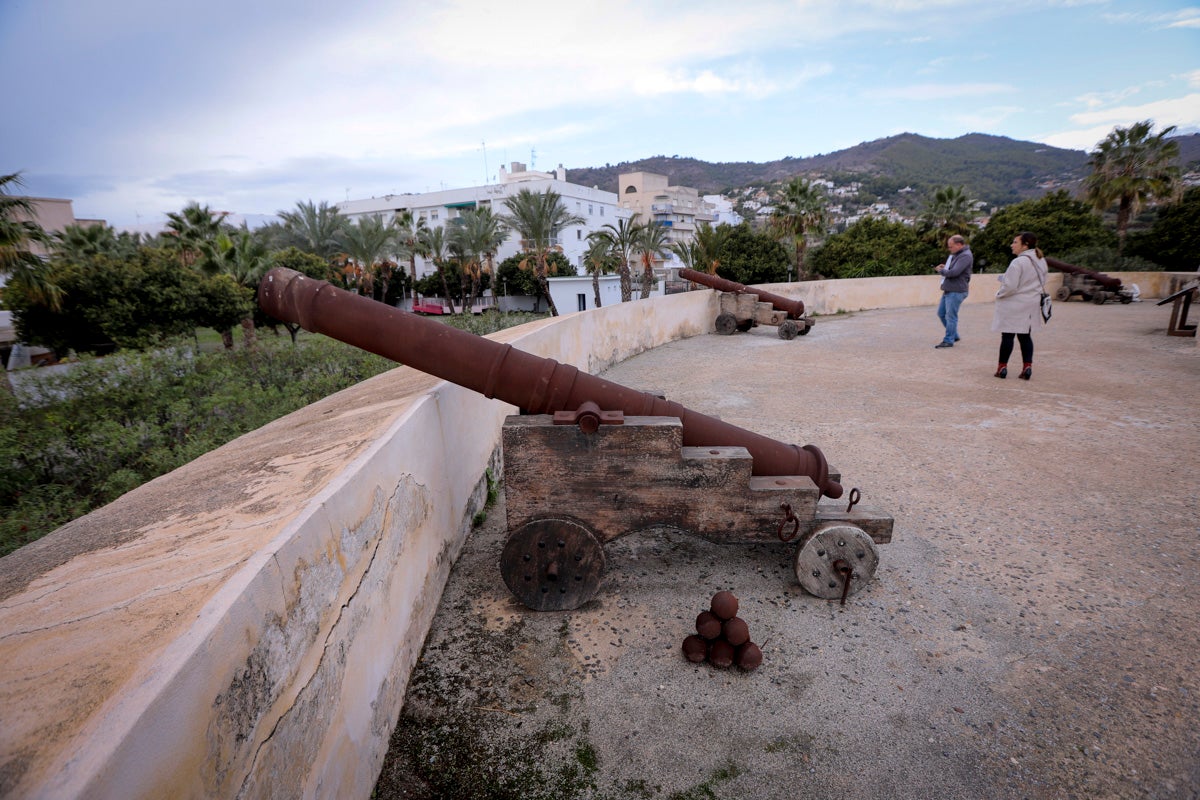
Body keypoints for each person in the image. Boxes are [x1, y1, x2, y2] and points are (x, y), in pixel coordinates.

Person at [992, 231, 1048, 380]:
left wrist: (999, 294)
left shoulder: (1018, 262)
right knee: (1025, 337)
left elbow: (1010, 286)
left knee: (1007, 336)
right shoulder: (1041, 260)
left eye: (1015, 242)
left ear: (1025, 245)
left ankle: (1002, 368)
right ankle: (1027, 367)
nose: (1012, 245)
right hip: (1031, 304)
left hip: (1014, 304)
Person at [933, 235, 973, 348]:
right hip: (949, 289)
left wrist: (941, 270)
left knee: (951, 316)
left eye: (951, 247)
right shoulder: (958, 255)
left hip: (956, 290)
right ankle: (954, 335)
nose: (949, 249)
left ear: (959, 245)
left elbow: (954, 273)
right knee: (941, 314)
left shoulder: (965, 256)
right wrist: (945, 267)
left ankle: (948, 340)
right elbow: (952, 269)